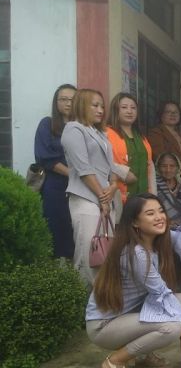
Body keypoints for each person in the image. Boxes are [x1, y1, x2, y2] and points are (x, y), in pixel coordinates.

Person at [85, 193, 181, 368]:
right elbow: (160, 293)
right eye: (150, 213)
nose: (159, 217)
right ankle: (114, 363)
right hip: (104, 325)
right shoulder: (135, 253)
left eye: (161, 211)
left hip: (128, 316)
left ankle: (142, 354)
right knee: (171, 327)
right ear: (135, 222)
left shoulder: (157, 241)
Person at [62, 89, 118, 289]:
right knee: (87, 253)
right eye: (95, 105)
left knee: (104, 253)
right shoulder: (73, 129)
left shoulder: (100, 133)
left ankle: (102, 303)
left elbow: (111, 168)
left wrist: (112, 187)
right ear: (81, 105)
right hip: (85, 198)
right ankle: (83, 307)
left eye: (102, 106)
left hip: (105, 199)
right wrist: (104, 197)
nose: (100, 110)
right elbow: (84, 169)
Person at [34, 84, 77, 259]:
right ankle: (59, 276)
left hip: (82, 187)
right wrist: (73, 175)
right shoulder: (47, 124)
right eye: (63, 99)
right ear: (56, 102)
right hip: (56, 187)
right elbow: (45, 157)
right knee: (57, 229)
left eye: (72, 100)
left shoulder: (82, 126)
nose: (68, 103)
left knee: (78, 231)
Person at [106, 92, 155, 205]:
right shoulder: (106, 133)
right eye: (124, 107)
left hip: (143, 197)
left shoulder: (141, 137)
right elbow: (100, 161)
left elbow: (149, 166)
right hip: (118, 196)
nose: (129, 111)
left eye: (133, 108)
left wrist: (152, 194)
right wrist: (123, 173)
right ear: (115, 110)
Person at [147, 101, 181, 188]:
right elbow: (161, 156)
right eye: (168, 112)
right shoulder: (155, 133)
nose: (173, 114)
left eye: (175, 112)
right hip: (168, 180)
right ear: (161, 115)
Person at [155, 152, 181, 229]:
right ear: (158, 168)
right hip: (161, 227)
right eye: (164, 166)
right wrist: (167, 221)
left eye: (172, 166)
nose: (168, 170)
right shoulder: (154, 186)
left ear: (178, 168)